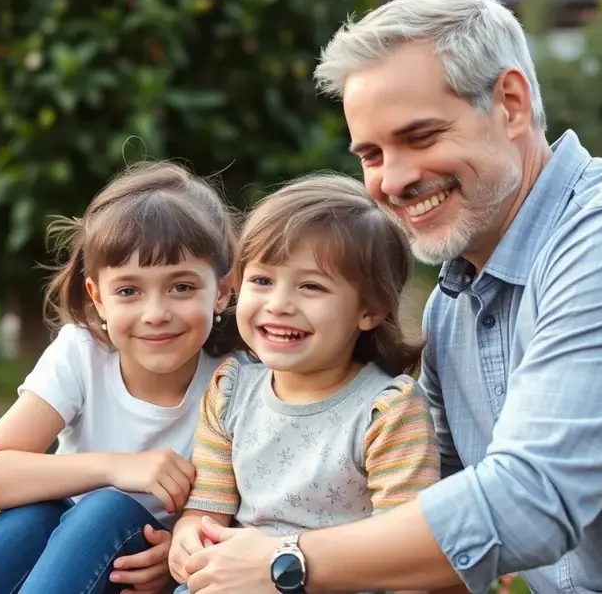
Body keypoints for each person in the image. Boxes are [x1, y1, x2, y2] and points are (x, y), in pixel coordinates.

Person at [178, 0, 602, 594]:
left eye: (422, 136)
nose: (396, 179)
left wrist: (288, 561)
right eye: (373, 154)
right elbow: (426, 514)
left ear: (510, 103)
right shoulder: (454, 307)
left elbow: (528, 504)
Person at [0, 161, 243, 594]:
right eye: (128, 291)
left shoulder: (239, 380)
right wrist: (116, 468)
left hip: (142, 571)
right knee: (34, 514)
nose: (156, 314)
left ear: (223, 291)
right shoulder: (84, 353)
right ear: (97, 297)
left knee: (104, 511)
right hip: (68, 561)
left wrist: (178, 551)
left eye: (181, 287)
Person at [168, 173, 440, 594]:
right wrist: (188, 538)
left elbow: (405, 549)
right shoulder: (230, 392)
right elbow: (207, 508)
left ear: (370, 309)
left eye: (311, 286)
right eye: (262, 280)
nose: (278, 305)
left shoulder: (387, 411)